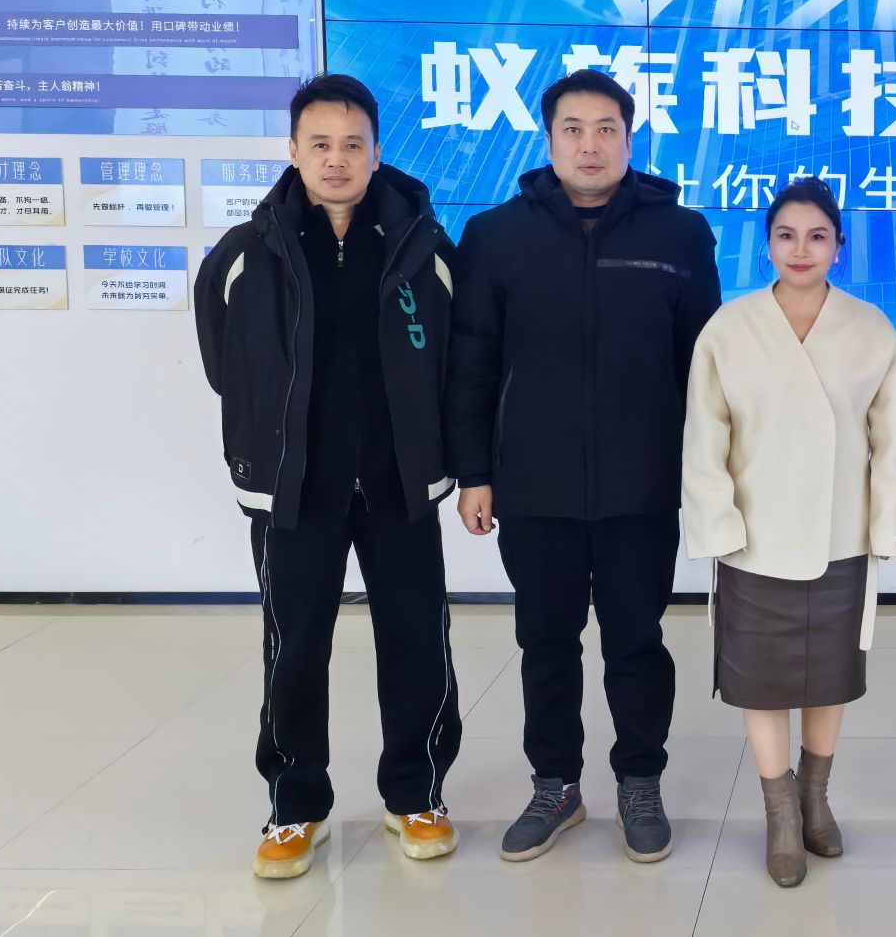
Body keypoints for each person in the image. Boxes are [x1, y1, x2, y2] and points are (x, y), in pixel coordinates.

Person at [447, 68, 720, 864]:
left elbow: (705, 370)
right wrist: (474, 473)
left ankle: (639, 780)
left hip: (644, 484)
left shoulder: (680, 235)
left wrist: (706, 478)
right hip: (534, 483)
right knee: (546, 642)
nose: (590, 144)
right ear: (549, 139)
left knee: (637, 640)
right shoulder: (495, 236)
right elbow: (471, 364)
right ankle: (555, 784)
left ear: (629, 140)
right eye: (574, 129)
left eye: (607, 129)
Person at [193, 74, 461, 880]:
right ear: (293, 151)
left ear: (377, 152)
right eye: (320, 144)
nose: (336, 159)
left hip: (397, 481)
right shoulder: (246, 254)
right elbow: (225, 362)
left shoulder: (423, 246)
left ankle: (416, 793)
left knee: (416, 641)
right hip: (295, 487)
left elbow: (456, 360)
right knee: (295, 646)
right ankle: (295, 805)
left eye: (352, 144)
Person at [681, 177, 896, 888]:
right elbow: (704, 438)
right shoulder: (730, 328)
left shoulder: (871, 329)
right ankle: (780, 812)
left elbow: (892, 440)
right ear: (767, 245)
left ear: (839, 245)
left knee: (828, 677)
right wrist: (718, 523)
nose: (801, 249)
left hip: (841, 534)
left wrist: (889, 527)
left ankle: (815, 799)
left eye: (817, 236)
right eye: (786, 235)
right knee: (762, 682)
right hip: (754, 538)